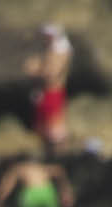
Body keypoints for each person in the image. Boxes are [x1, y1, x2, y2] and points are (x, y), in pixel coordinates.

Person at [25, 24, 72, 153]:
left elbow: (52, 74)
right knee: (43, 132)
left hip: (53, 94)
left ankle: (60, 157)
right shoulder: (50, 49)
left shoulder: (60, 50)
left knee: (55, 134)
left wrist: (36, 70)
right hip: (44, 93)